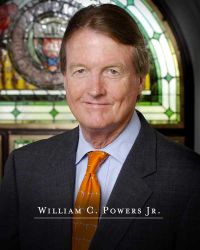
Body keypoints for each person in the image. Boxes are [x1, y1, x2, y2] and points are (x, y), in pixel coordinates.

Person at [0, 4, 200, 250]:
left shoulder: (189, 178)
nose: (95, 89)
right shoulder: (24, 168)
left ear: (140, 79)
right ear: (65, 77)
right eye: (81, 70)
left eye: (112, 71)